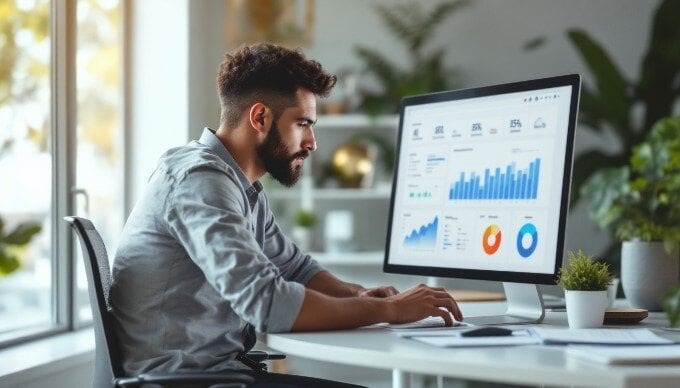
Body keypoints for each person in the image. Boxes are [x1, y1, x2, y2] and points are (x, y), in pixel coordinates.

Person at [110, 43, 462, 387]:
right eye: (303, 124)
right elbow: (269, 305)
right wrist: (390, 311)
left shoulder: (239, 185)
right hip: (184, 381)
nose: (312, 142)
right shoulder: (201, 181)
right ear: (260, 117)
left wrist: (358, 295)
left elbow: (295, 269)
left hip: (220, 372)